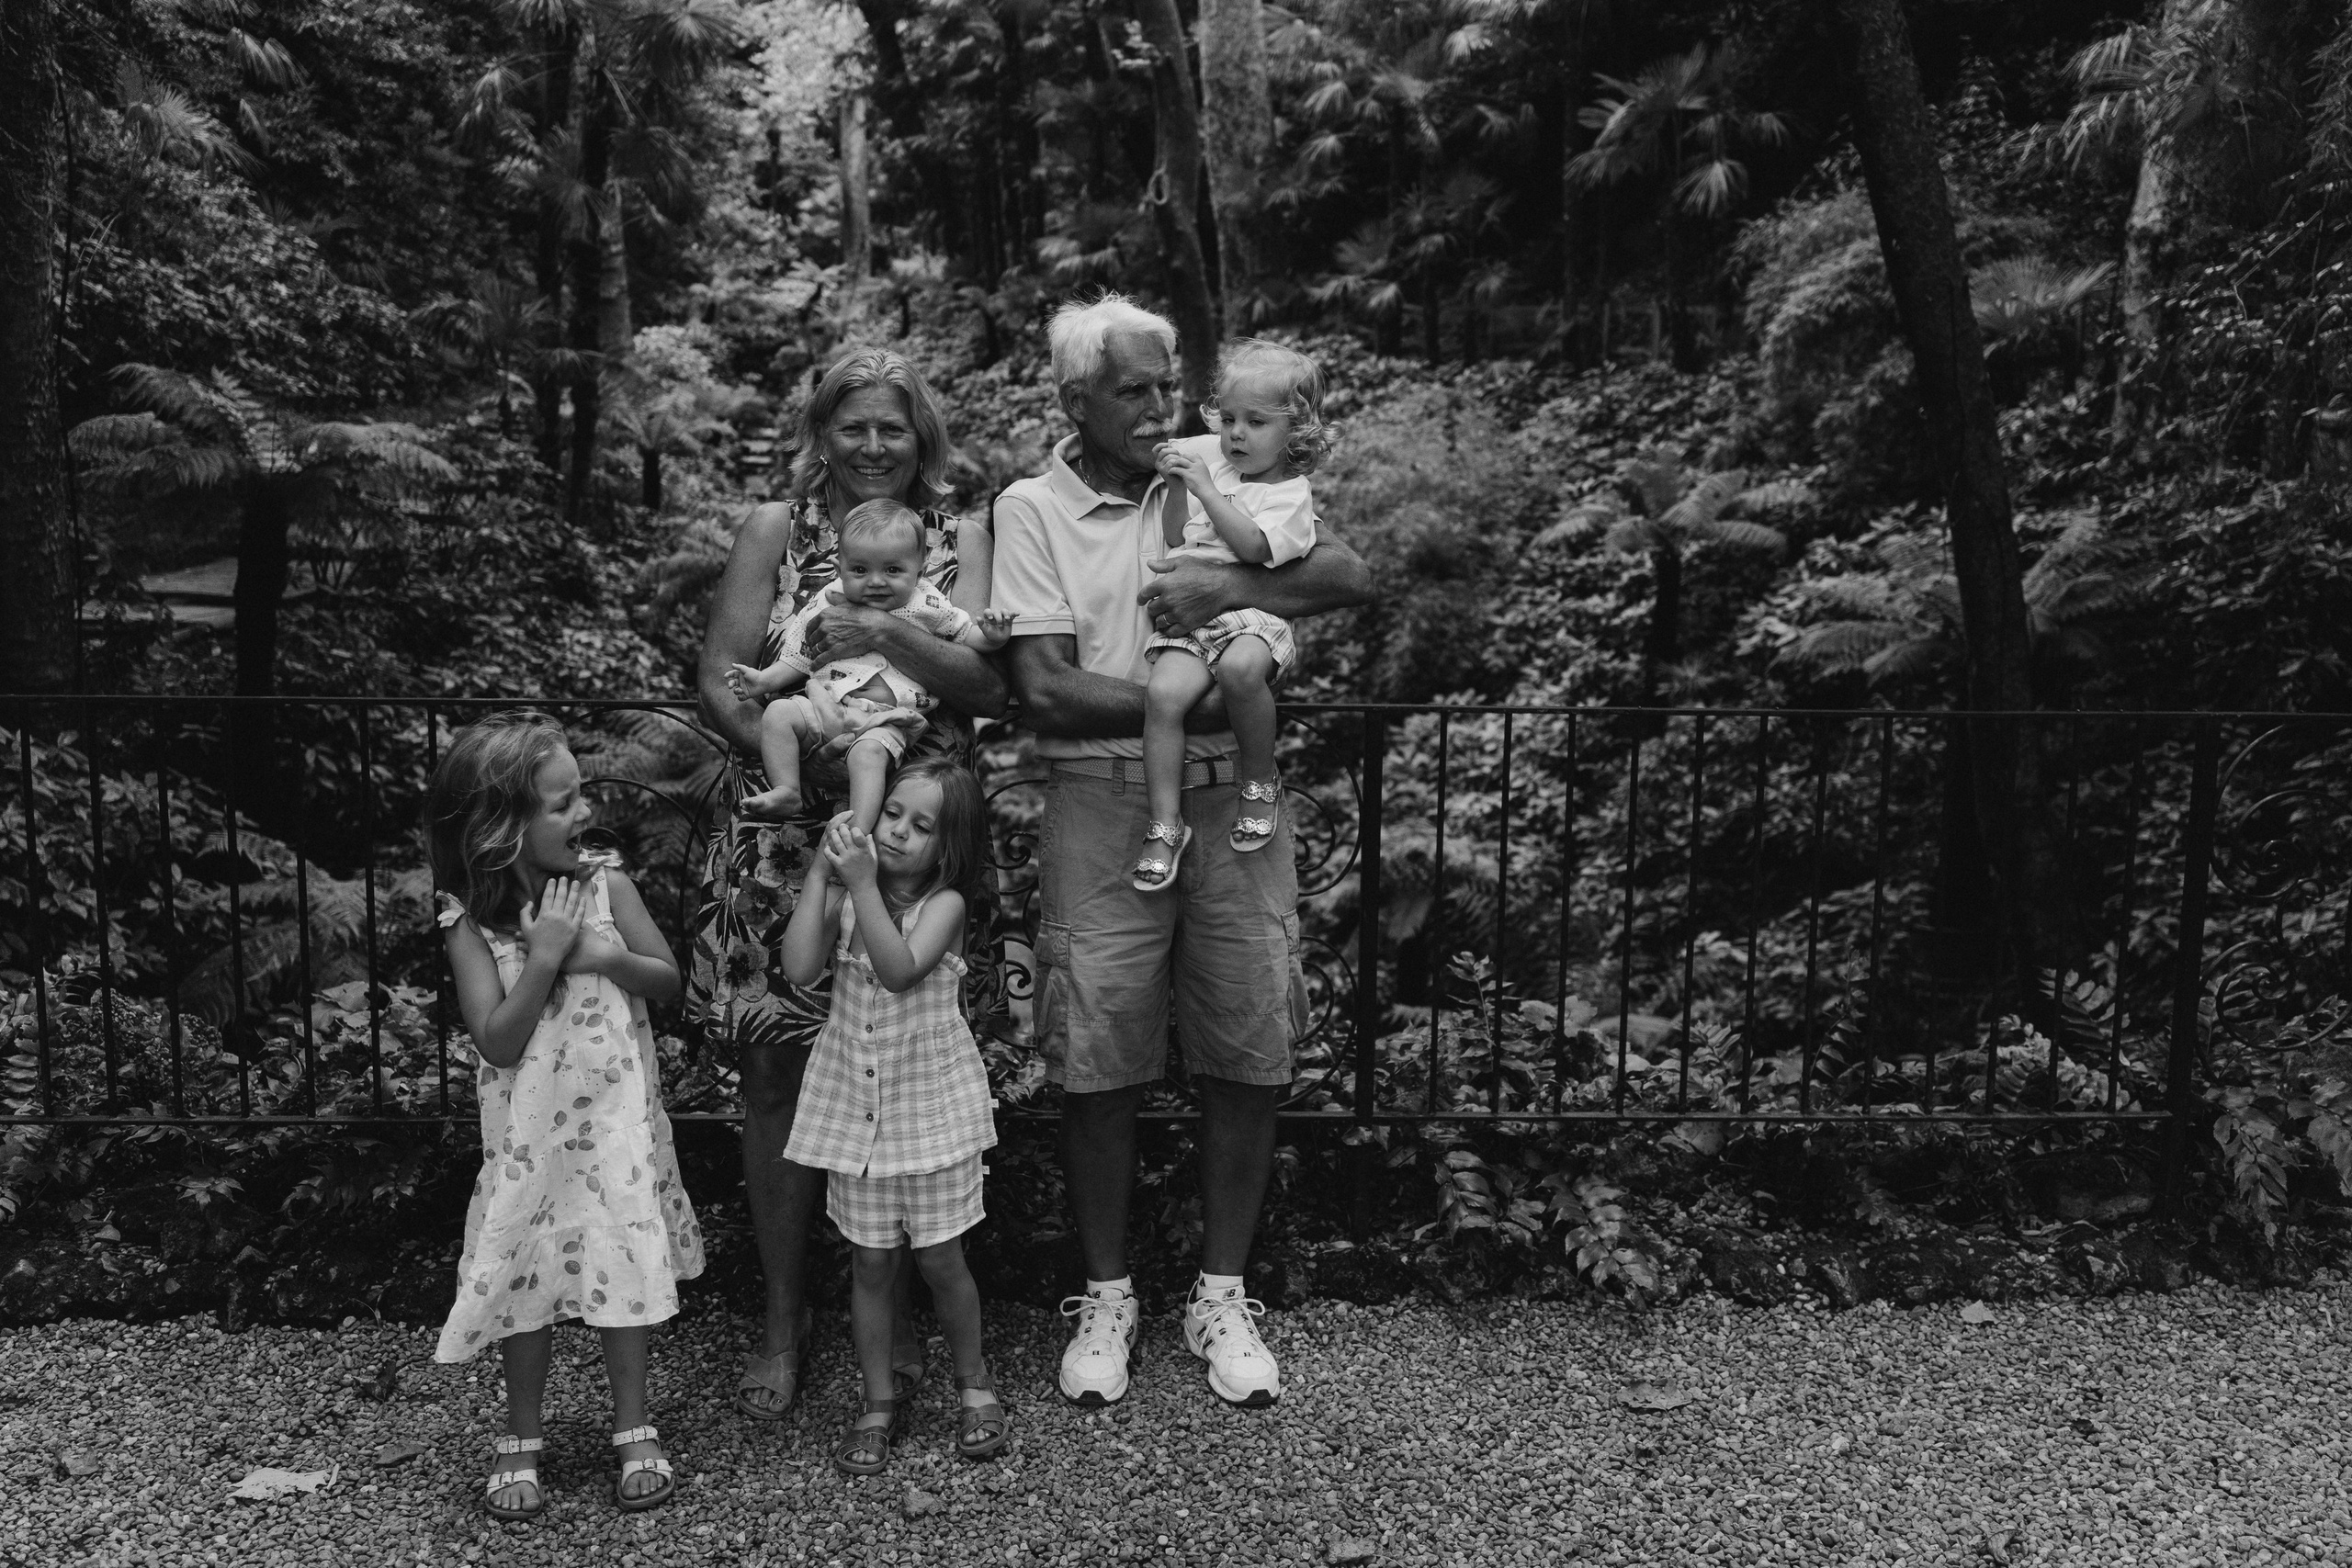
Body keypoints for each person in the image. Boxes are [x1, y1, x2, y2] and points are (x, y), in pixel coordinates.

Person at [990, 295, 1374, 1408]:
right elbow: (1047, 690)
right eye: (1135, 391)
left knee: (1250, 1042)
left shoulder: (1220, 455)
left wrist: (1233, 589)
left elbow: (1349, 573)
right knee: (1096, 1054)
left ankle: (1221, 1292)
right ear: (1074, 400)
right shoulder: (1030, 508)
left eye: (1170, 385)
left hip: (1234, 810)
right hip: (1104, 802)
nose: (1164, 408)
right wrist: (1202, 707)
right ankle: (1107, 1295)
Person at [689, 346, 1008, 1424]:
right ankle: (786, 1322)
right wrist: (813, 764)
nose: (875, 446)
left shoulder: (959, 540)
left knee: (910, 1070)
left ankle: (904, 1310)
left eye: (896, 428)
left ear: (923, 439)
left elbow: (990, 684)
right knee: (780, 1074)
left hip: (917, 838)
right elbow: (722, 676)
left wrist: (883, 634)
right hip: (788, 840)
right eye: (854, 426)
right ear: (820, 431)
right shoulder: (775, 533)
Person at [424, 711, 705, 1518]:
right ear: (499, 831)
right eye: (561, 802)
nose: (584, 812)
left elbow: (668, 979)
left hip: (613, 1129)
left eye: (579, 795)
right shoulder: (470, 924)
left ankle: (632, 1422)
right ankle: (521, 1433)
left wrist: (604, 955)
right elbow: (499, 1042)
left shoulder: (607, 886)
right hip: (528, 1143)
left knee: (620, 1263)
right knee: (528, 1276)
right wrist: (543, 954)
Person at [778, 760, 1007, 1473]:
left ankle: (973, 1385)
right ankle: (877, 1399)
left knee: (942, 1259)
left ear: (950, 845)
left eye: (922, 825)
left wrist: (862, 885)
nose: (899, 831)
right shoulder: (850, 892)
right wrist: (821, 874)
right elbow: (798, 968)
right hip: (858, 1115)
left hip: (930, 1116)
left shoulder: (946, 905)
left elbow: (899, 967)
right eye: (892, 815)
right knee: (871, 1263)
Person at [1133, 340, 1334, 890]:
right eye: (1229, 420)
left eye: (1257, 422)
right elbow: (1179, 534)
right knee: (1162, 696)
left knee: (1242, 672)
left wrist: (1202, 484)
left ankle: (1259, 782)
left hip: (1252, 615)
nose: (1236, 435)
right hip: (1196, 622)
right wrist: (1179, 487)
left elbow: (1250, 547)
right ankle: (1165, 823)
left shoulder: (1291, 495)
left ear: (1295, 433)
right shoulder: (1216, 473)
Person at [727, 499, 1014, 829]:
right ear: (840, 568)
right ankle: (787, 788)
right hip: (827, 709)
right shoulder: (829, 598)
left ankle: (859, 829)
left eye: (893, 570)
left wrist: (993, 636)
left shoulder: (928, 602)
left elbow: (966, 635)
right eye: (860, 570)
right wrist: (763, 682)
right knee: (779, 713)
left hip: (883, 720)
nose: (876, 581)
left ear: (919, 569)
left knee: (869, 757)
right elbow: (800, 655)